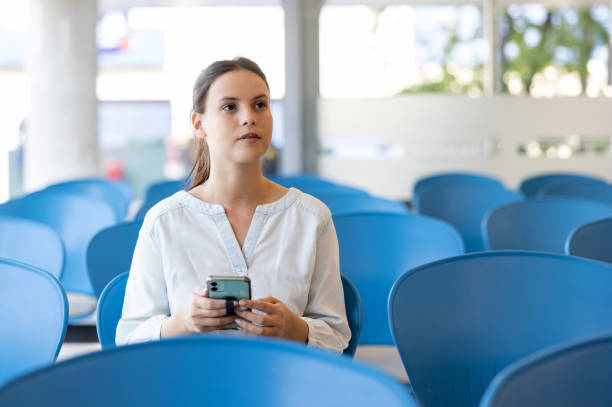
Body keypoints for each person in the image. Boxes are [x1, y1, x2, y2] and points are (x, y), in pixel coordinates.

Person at [116, 57, 350, 352]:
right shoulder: (164, 221)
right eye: (230, 107)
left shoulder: (311, 218)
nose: (249, 117)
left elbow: (337, 334)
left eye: (260, 105)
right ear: (198, 124)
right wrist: (183, 322)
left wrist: (295, 329)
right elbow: (128, 338)